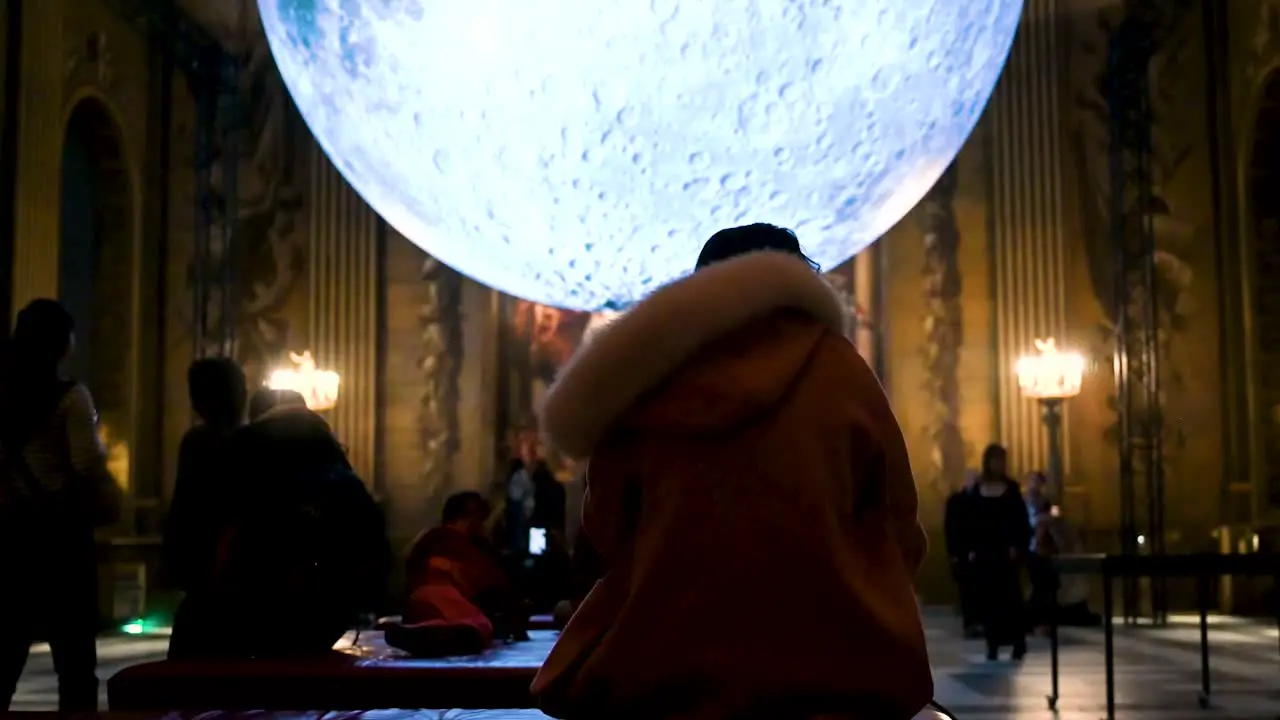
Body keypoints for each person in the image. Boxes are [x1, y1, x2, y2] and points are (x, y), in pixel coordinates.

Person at [532, 224, 933, 719]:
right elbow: (897, 522)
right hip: (829, 668)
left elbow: (607, 525)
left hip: (666, 666)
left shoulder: (647, 378)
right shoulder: (841, 371)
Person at [168, 402, 389, 659]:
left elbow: (206, 556)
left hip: (231, 633)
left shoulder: (248, 481)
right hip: (318, 630)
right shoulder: (348, 489)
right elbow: (376, 565)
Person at [0, 299, 121, 711]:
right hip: (62, 544)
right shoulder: (71, 399)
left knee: (3, 659)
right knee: (74, 668)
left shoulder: (3, 400)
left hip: (11, 541)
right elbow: (86, 464)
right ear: (63, 344)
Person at [386, 491, 527, 655]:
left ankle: (425, 630)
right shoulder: (468, 549)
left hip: (416, 607)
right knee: (478, 626)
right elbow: (495, 590)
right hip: (450, 605)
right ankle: (439, 633)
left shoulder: (423, 542)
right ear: (474, 519)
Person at [164, 358, 247, 595]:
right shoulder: (251, 442)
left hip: (201, 565)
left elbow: (182, 508)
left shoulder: (195, 442)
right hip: (236, 566)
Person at [969, 444, 1031, 661]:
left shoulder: (1011, 489)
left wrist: (1017, 544)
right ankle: (992, 643)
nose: (999, 464)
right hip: (986, 552)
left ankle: (1018, 642)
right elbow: (971, 522)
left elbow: (1020, 520)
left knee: (1011, 599)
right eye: (995, 460)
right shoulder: (978, 489)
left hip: (1006, 552)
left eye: (1001, 460)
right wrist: (971, 548)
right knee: (989, 600)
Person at [944, 469, 981, 638]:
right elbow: (951, 529)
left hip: (979, 552)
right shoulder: (956, 501)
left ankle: (978, 622)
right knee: (967, 590)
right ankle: (970, 623)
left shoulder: (982, 500)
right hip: (963, 552)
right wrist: (955, 552)